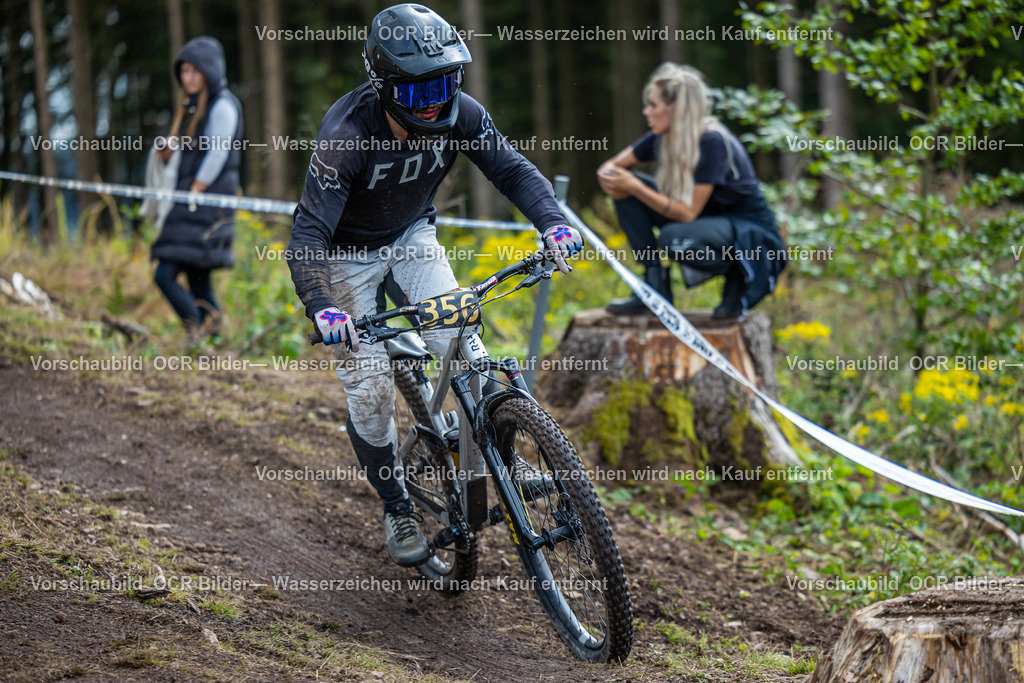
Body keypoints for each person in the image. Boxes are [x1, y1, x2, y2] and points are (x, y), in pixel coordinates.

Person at [286, 4, 583, 568]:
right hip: (345, 256)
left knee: (460, 340)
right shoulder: (346, 134)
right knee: (369, 389)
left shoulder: (461, 112)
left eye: (448, 83)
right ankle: (397, 505)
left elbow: (513, 169)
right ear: (386, 85)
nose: (437, 101)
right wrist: (322, 305)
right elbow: (308, 233)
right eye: (422, 91)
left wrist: (553, 222)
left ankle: (502, 452)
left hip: (411, 237)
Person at [598, 63, 785, 319]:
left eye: (653, 105)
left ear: (675, 109)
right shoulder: (664, 135)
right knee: (626, 190)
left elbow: (687, 214)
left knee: (672, 236)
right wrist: (616, 178)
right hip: (705, 222)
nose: (646, 112)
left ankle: (738, 274)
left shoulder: (712, 141)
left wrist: (635, 185)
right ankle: (653, 285)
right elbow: (611, 169)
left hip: (749, 232)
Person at [151, 36, 242, 344]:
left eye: (194, 70)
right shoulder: (192, 107)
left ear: (209, 71)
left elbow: (218, 153)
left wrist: (195, 190)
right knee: (198, 280)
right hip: (195, 206)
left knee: (164, 275)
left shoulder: (223, 105)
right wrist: (167, 153)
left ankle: (198, 335)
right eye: (184, 71)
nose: (187, 77)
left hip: (204, 207)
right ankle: (215, 342)